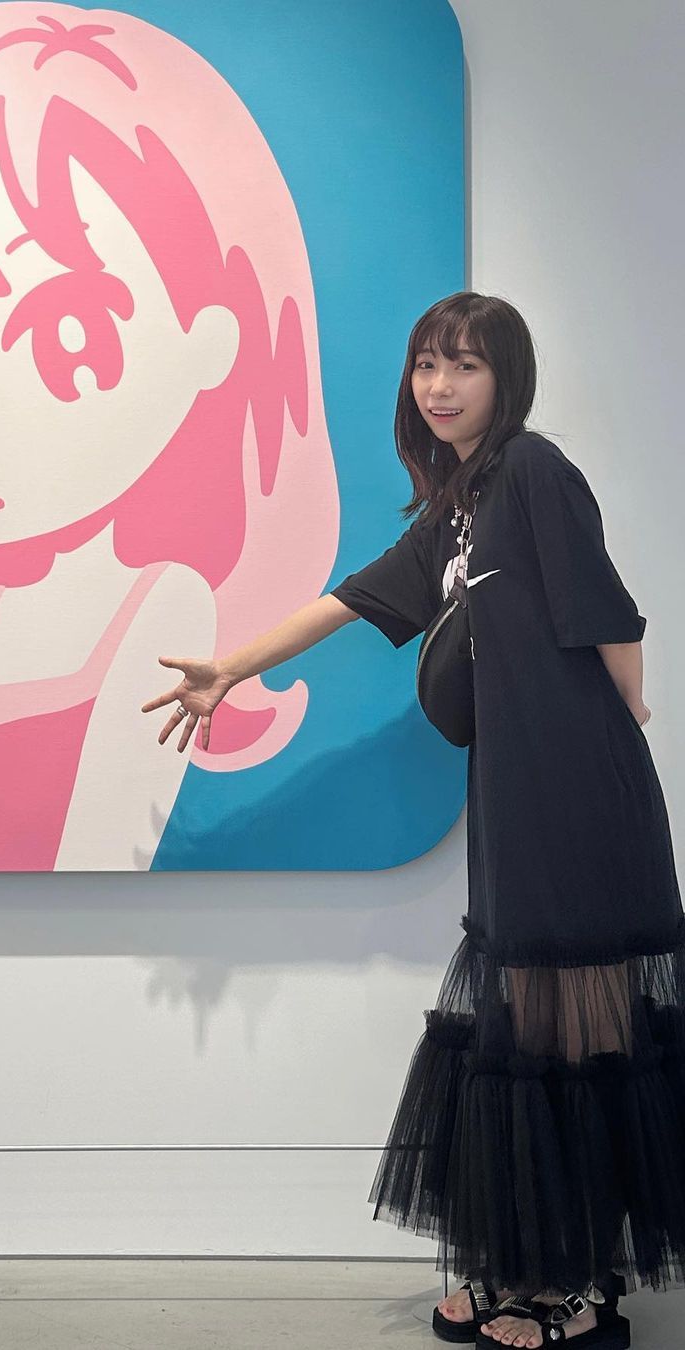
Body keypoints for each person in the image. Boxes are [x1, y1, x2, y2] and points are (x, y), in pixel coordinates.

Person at [141, 291, 685, 1348]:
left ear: (506, 380)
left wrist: (618, 727)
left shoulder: (533, 471)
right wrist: (230, 668)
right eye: (427, 364)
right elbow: (355, 599)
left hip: (578, 791)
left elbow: (612, 621)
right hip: (517, 792)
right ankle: (527, 1262)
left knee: (577, 1027)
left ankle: (582, 1286)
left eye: (464, 366)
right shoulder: (460, 504)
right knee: (527, 1025)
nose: (439, 386)